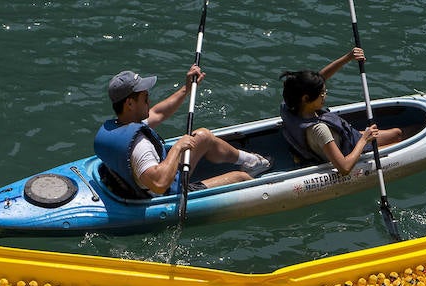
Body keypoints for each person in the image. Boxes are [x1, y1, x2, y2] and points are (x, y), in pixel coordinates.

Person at [94, 66, 271, 198]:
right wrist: (178, 147)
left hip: (154, 176)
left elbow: (159, 112)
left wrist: (186, 89)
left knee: (202, 136)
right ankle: (259, 181)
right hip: (167, 191)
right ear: (130, 104)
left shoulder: (120, 125)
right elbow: (159, 184)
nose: (149, 99)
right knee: (240, 178)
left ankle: (253, 162)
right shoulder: (141, 146)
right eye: (145, 97)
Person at [279, 48, 408, 174]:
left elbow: (319, 79)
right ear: (306, 98)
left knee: (395, 133)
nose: (325, 96)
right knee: (397, 135)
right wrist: (364, 140)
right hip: (350, 150)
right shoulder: (320, 130)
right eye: (322, 94)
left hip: (343, 139)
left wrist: (348, 57)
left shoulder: (290, 105)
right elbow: (344, 168)